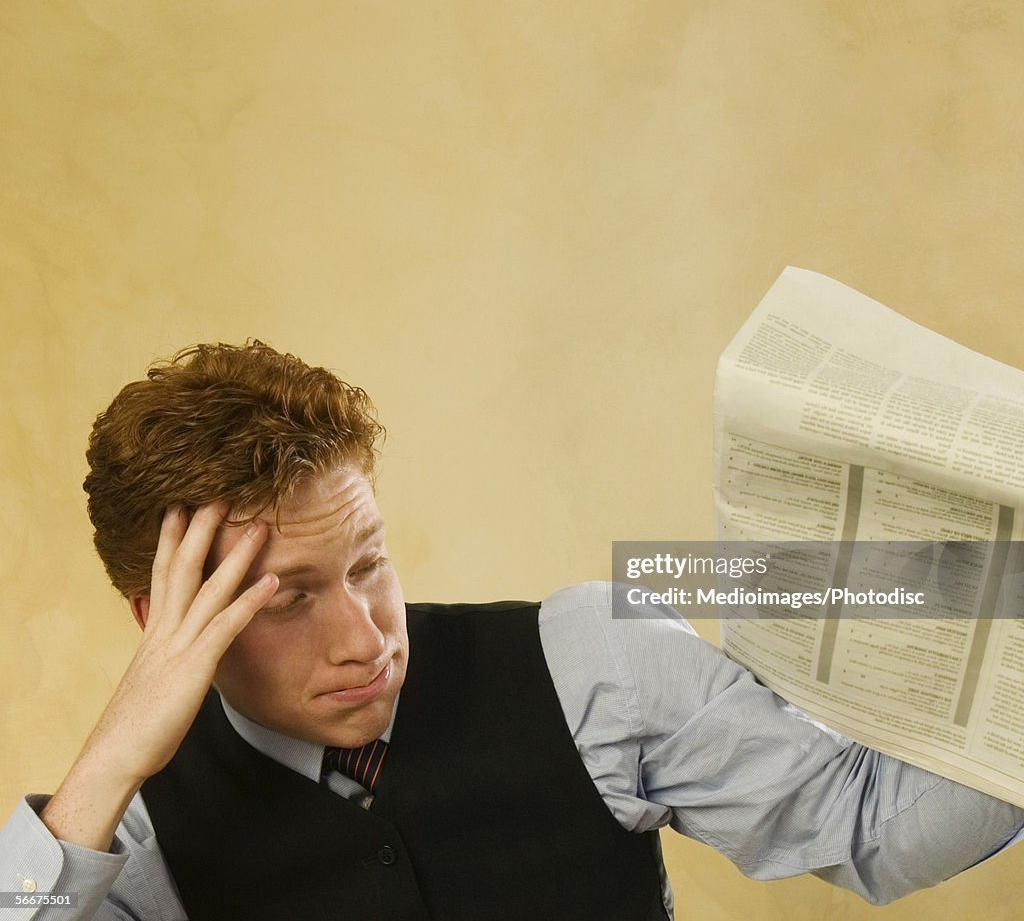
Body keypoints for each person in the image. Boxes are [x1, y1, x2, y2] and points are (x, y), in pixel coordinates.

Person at [2, 340, 1022, 921]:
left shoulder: (589, 664)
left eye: (367, 563)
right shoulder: (121, 844)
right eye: (286, 599)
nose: (364, 637)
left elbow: (875, 829)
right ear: (162, 617)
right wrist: (106, 768)